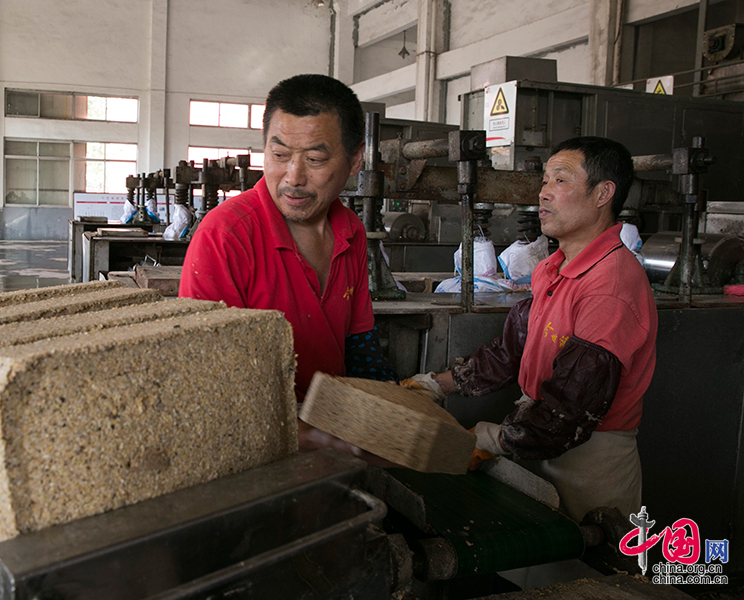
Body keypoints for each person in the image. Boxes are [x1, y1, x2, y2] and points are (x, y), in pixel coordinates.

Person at [406, 136, 657, 522]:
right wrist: (436, 385)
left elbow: (570, 409)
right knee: (537, 573)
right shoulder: (552, 267)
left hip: (589, 462)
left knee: (587, 573)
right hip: (536, 438)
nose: (543, 194)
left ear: (603, 193)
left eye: (560, 181)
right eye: (544, 182)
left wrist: (492, 438)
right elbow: (512, 351)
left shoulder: (611, 285)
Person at [179, 74, 396, 457]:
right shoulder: (226, 235)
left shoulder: (351, 232)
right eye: (279, 156)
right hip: (252, 444)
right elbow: (205, 375)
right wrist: (294, 431)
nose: (292, 178)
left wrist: (388, 411)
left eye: (315, 159)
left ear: (355, 159)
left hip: (331, 434)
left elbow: (357, 342)